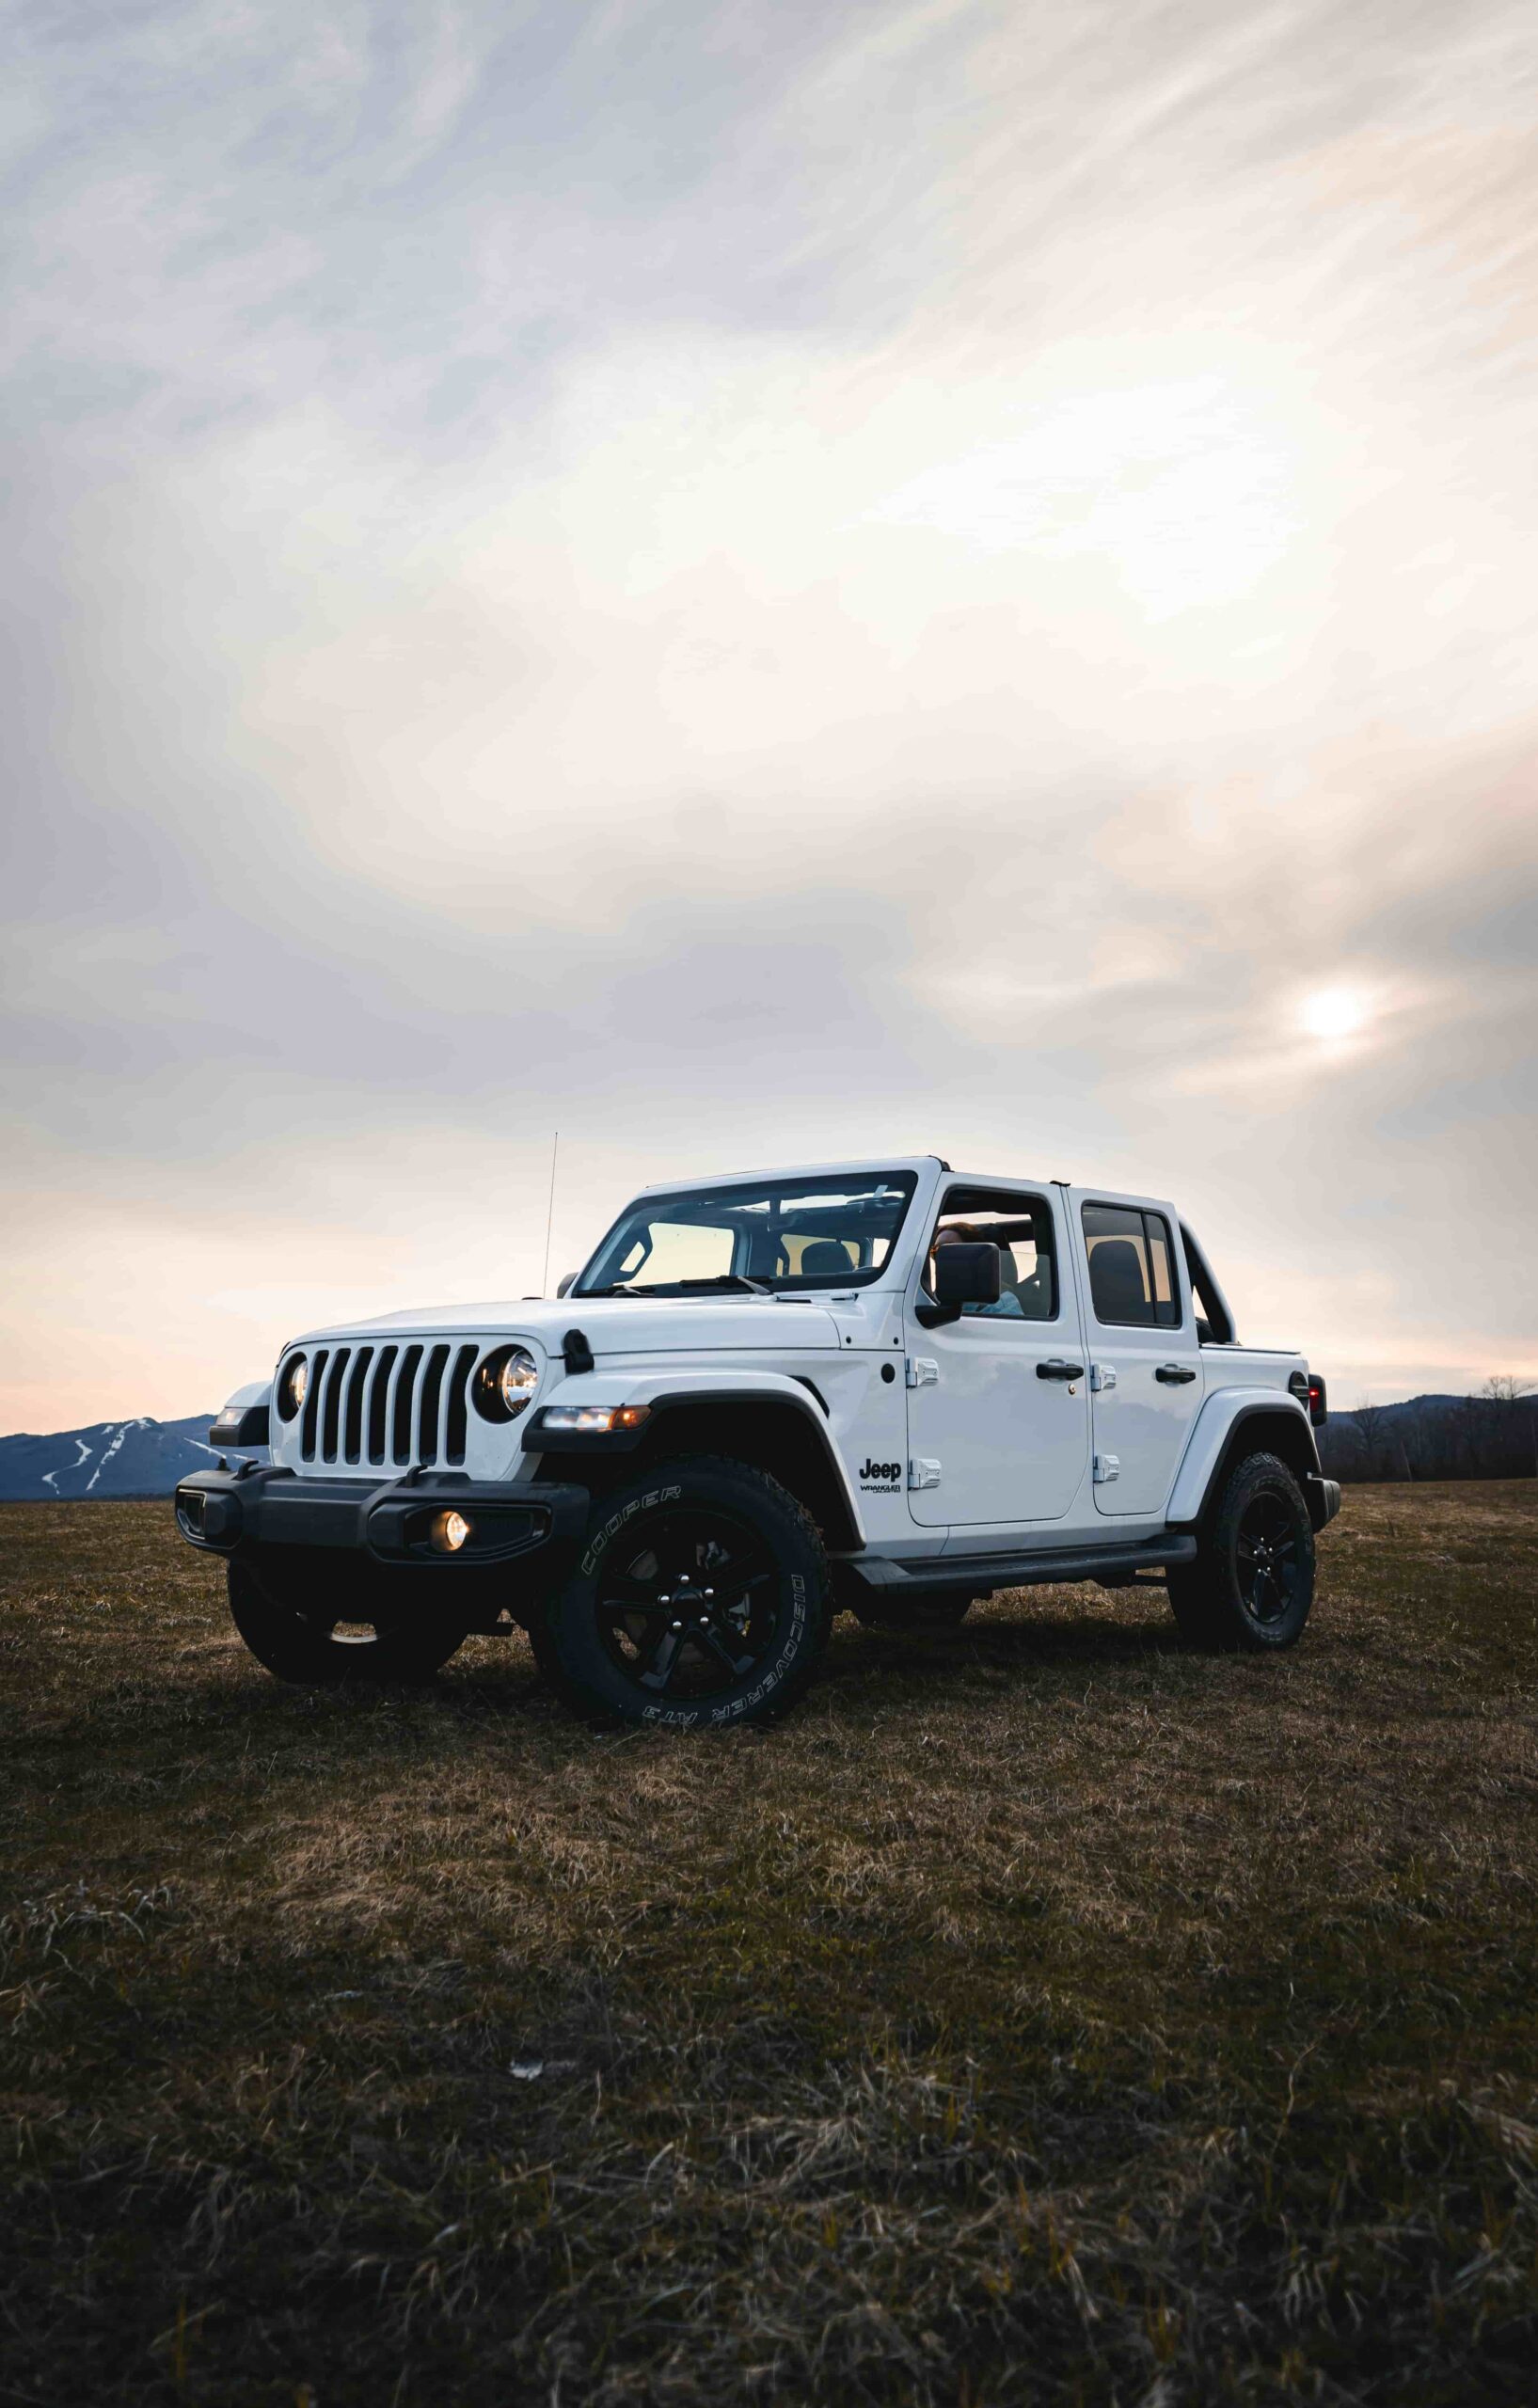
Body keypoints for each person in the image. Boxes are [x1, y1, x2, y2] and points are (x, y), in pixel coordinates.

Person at [929, 1224, 1025, 1316]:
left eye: (950, 1250)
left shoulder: (1002, 1304)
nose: (941, 1257)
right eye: (936, 1251)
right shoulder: (926, 1300)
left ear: (974, 1257)